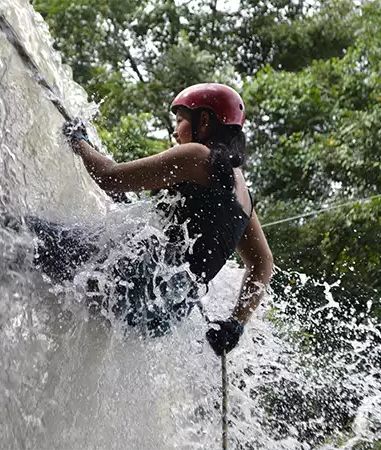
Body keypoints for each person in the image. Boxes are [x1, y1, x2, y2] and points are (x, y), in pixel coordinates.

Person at [24, 83, 273, 355]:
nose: (175, 132)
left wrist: (79, 141)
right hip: (164, 313)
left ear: (204, 120)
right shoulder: (243, 196)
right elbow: (263, 263)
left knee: (17, 236)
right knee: (43, 272)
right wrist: (236, 324)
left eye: (179, 121)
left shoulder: (198, 156)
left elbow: (110, 177)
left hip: (136, 282)